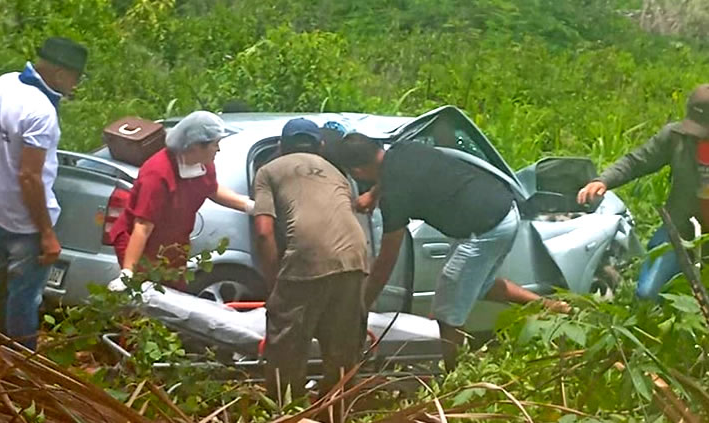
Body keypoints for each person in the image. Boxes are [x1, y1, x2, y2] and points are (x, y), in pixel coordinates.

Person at [334, 133, 567, 371]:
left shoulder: (394, 196)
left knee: (446, 313)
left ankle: (451, 375)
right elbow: (392, 174)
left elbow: (386, 260)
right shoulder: (403, 149)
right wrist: (373, 195)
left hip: (486, 228)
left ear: (358, 172)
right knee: (475, 285)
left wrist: (363, 305)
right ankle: (552, 307)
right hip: (503, 209)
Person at [0, 37, 88, 350]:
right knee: (25, 296)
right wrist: (48, 233)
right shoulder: (41, 111)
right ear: (61, 73)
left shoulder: (4, 84)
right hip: (27, 222)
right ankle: (20, 365)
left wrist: (0, 178)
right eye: (76, 78)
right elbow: (29, 175)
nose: (75, 86)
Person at [253, 118, 369, 405]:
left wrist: (273, 284)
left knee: (286, 347)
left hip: (309, 256)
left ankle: (287, 409)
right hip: (355, 256)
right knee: (341, 348)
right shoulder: (338, 173)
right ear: (320, 146)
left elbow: (264, 232)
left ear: (281, 147)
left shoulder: (268, 171)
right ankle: (335, 409)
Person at [578, 84, 709, 301]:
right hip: (680, 228)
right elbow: (637, 161)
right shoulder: (676, 137)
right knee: (647, 293)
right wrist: (603, 181)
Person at [107, 111, 254, 291]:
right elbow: (142, 227)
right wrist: (128, 273)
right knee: (142, 300)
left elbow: (212, 190)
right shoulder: (157, 174)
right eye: (215, 144)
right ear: (194, 146)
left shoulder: (202, 164)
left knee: (174, 298)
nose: (218, 149)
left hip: (173, 246)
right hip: (141, 246)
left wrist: (248, 205)